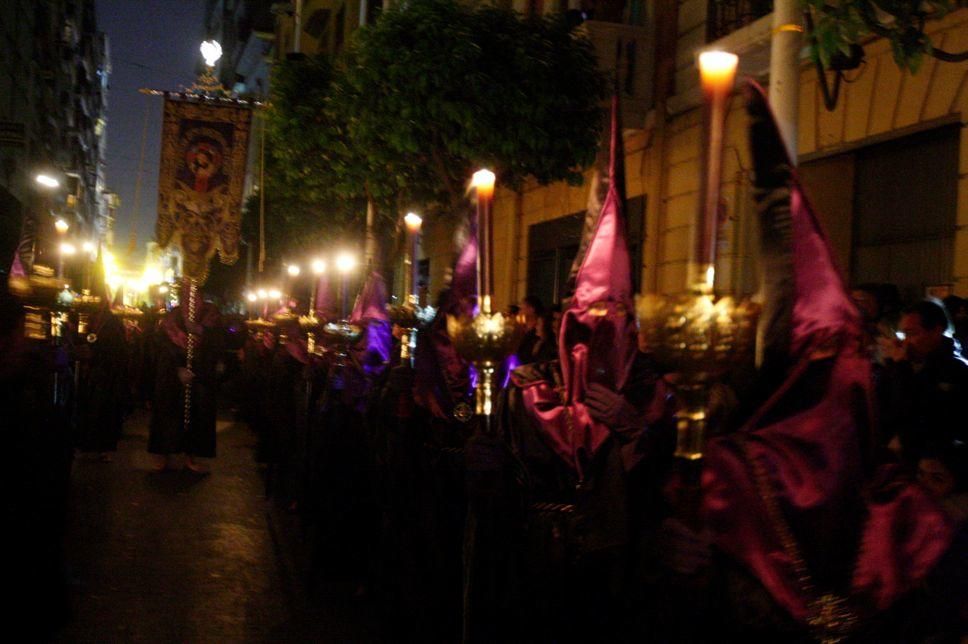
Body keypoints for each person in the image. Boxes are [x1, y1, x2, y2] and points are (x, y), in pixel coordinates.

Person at [881, 298, 968, 464]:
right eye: (903, 334)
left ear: (936, 331)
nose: (905, 342)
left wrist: (901, 369)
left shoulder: (955, 372)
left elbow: (922, 414)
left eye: (912, 334)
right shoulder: (899, 365)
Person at [148, 285, 222, 472]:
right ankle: (163, 453)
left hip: (200, 375)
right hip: (172, 374)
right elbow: (161, 345)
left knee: (197, 415)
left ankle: (192, 455)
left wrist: (199, 331)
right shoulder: (171, 318)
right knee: (167, 413)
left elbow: (217, 345)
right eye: (187, 298)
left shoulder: (211, 316)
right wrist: (177, 368)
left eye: (195, 298)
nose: (192, 303)